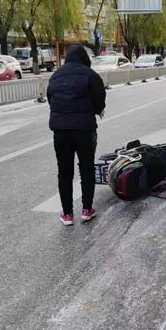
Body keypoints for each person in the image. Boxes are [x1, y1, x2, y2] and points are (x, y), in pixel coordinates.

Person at [47, 45, 106, 225]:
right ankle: (87, 210)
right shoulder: (90, 75)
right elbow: (99, 99)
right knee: (86, 169)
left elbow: (51, 99)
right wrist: (96, 110)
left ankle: (67, 214)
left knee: (64, 172)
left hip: (60, 131)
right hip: (84, 130)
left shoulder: (56, 75)